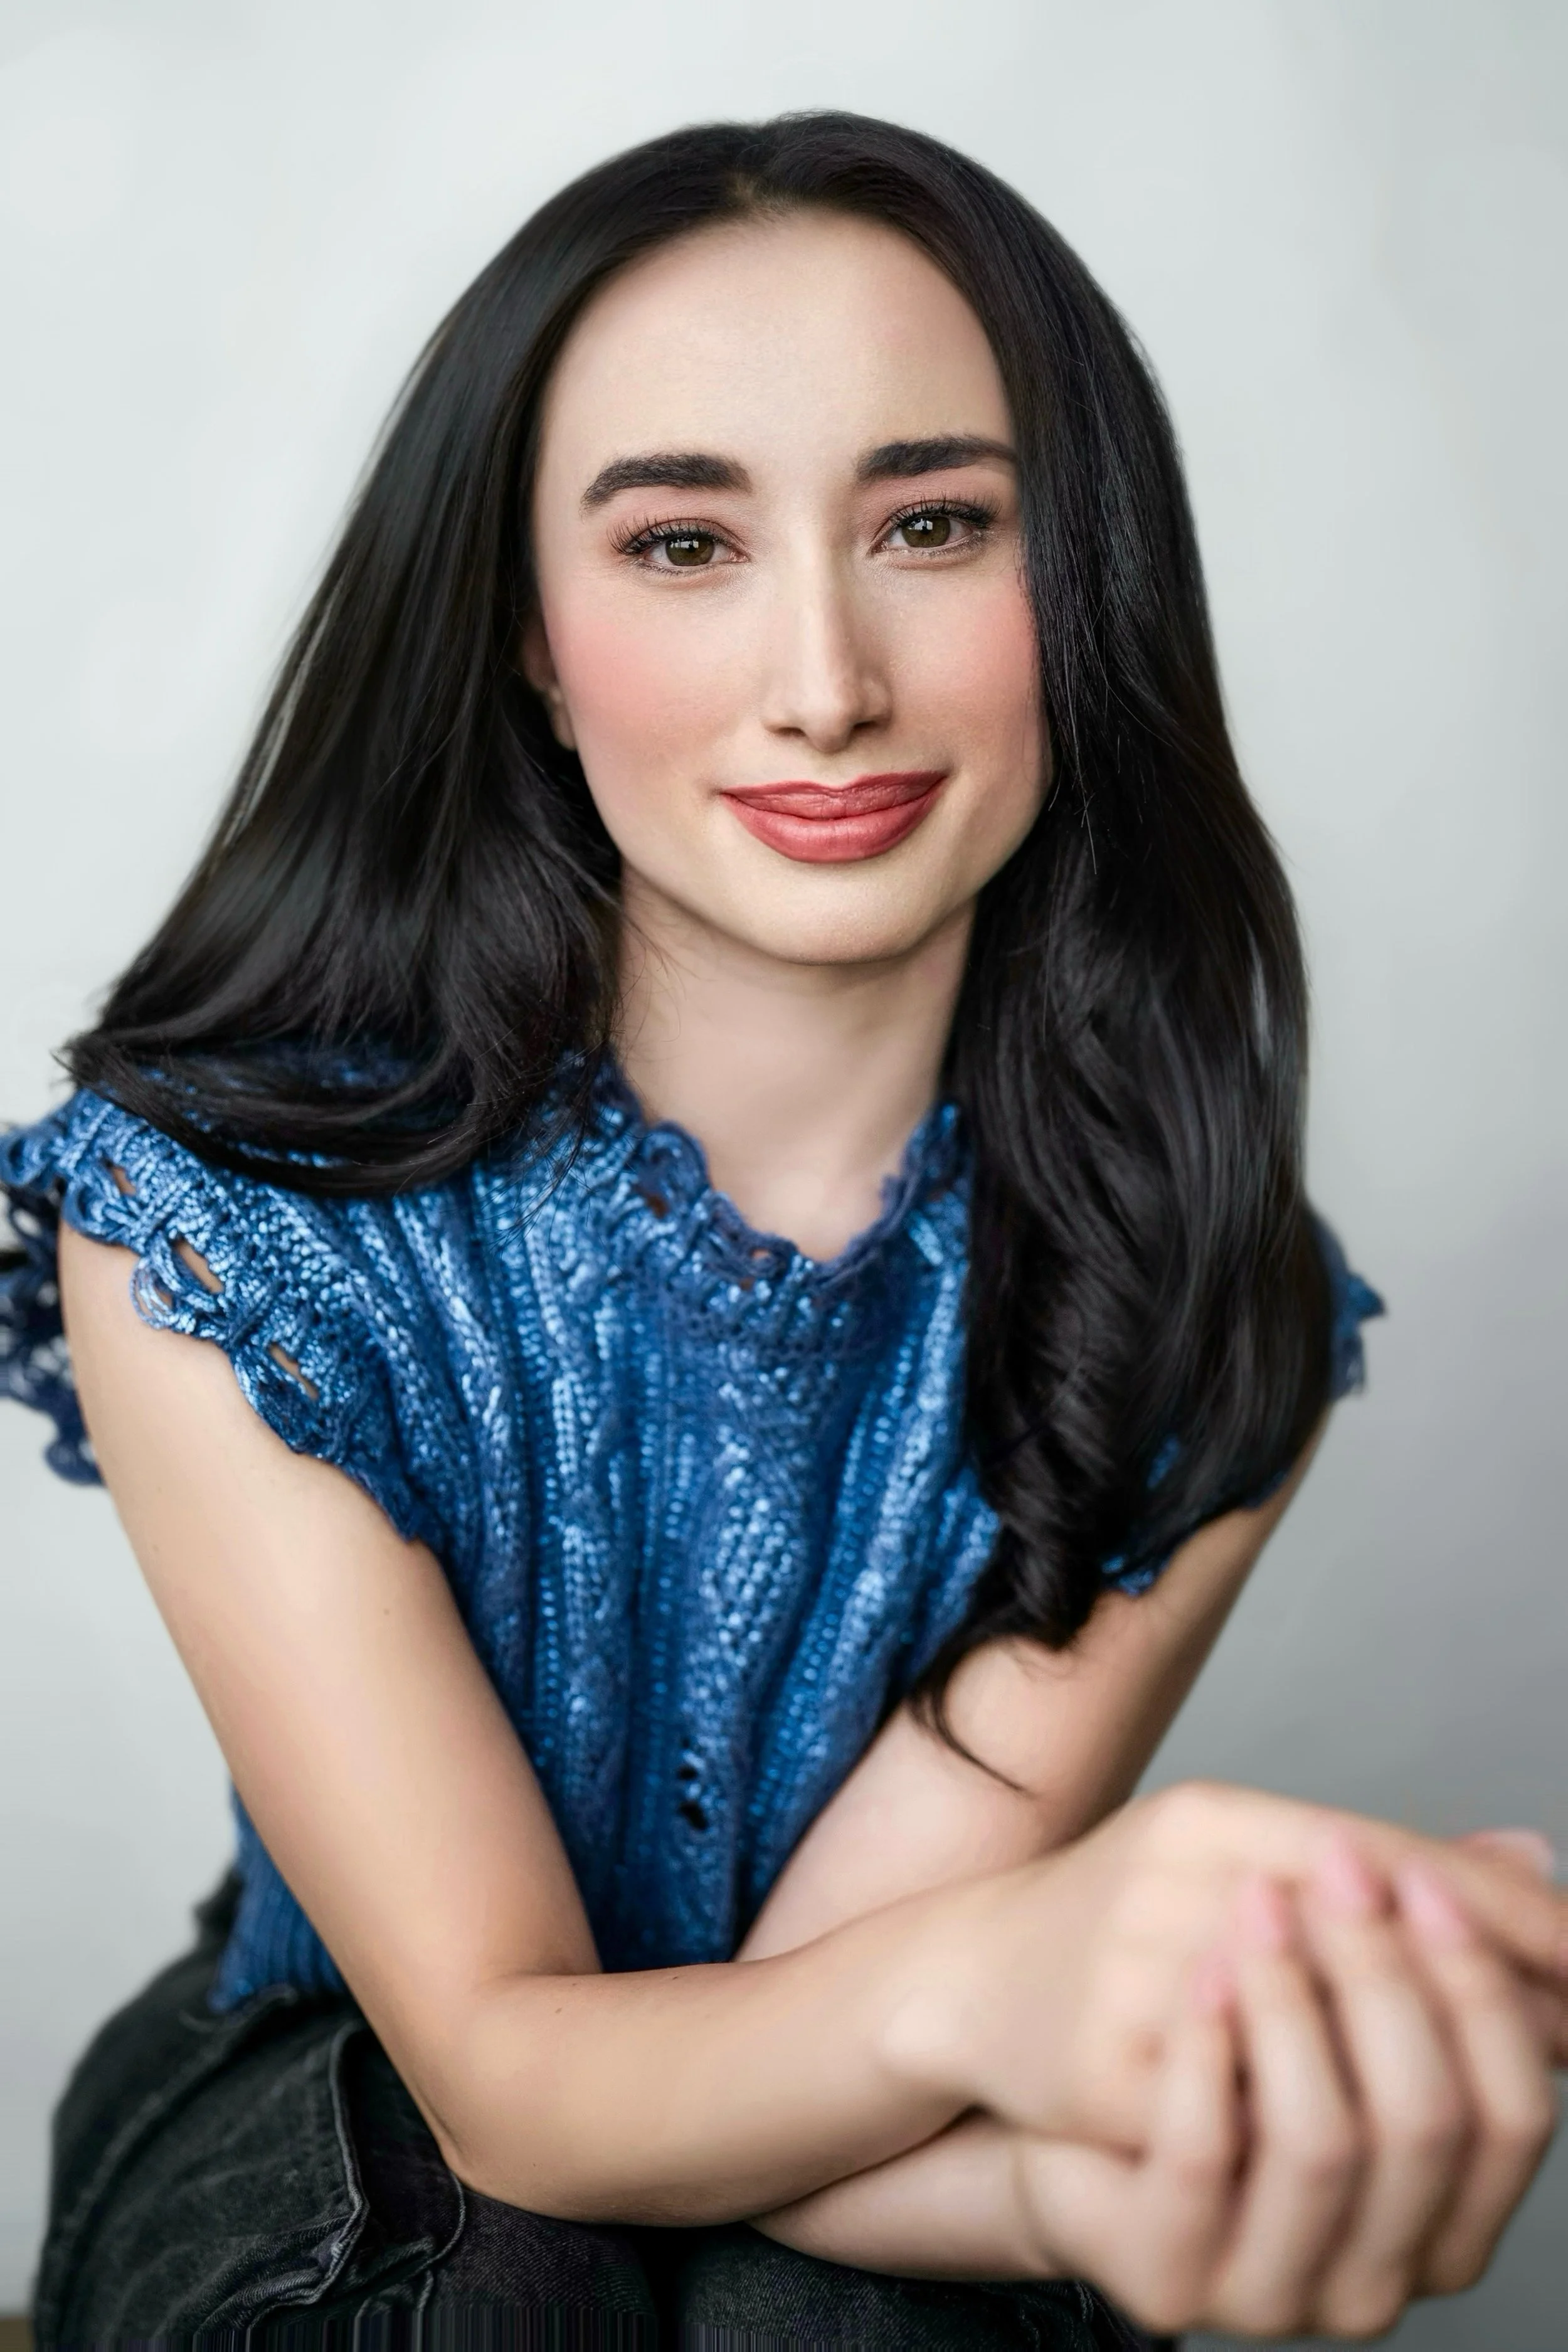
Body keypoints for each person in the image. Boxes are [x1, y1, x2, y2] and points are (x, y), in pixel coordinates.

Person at [1, 112, 1562, 2348]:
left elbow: (853, 2076)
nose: (826, 678)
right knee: (490, 2274)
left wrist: (1117, 2190)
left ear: (1083, 581)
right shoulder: (232, 1217)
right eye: (678, 544)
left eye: (933, 523)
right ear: (527, 638)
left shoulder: (1200, 1301)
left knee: (820, 2314)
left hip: (865, 2151)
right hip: (342, 2121)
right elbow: (515, 2079)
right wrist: (1036, 2001)